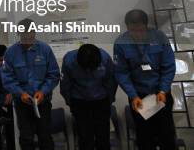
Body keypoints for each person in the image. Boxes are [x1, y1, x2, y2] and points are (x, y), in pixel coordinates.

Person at [114, 9, 176, 150]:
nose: (137, 34)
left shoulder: (159, 37)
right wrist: (133, 95)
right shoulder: (121, 43)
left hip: (160, 94)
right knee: (144, 138)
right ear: (127, 27)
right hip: (139, 98)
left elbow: (169, 66)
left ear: (146, 26)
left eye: (140, 30)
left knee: (166, 136)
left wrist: (163, 90)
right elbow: (121, 73)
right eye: (132, 30)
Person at [2, 18, 60, 150]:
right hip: (22, 103)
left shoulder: (45, 50)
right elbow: (7, 78)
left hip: (42, 102)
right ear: (18, 34)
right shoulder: (11, 53)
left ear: (34, 32)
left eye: (30, 34)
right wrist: (20, 93)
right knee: (26, 138)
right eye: (24, 35)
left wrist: (43, 91)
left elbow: (53, 74)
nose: (27, 38)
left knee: (45, 137)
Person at [60, 44, 117, 150]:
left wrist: (109, 101)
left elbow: (111, 82)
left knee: (103, 137)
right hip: (79, 102)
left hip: (101, 101)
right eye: (85, 69)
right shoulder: (69, 60)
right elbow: (65, 85)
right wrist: (71, 103)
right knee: (85, 139)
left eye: (92, 69)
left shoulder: (105, 58)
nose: (88, 72)